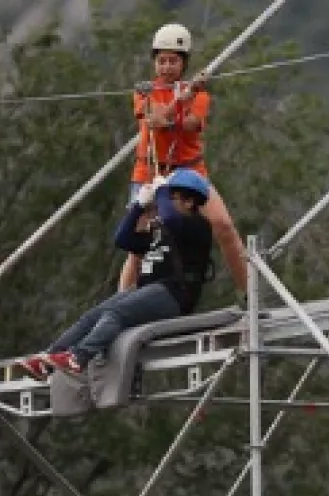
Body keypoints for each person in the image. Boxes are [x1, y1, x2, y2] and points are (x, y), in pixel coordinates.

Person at [19, 169, 213, 379]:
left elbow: (171, 219)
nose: (162, 203)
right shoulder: (162, 231)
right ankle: (49, 358)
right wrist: (138, 206)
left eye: (170, 197)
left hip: (174, 294)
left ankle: (78, 357)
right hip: (150, 291)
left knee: (117, 313)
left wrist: (161, 191)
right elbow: (123, 239)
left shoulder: (196, 225)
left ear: (189, 202)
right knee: (92, 316)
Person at [121, 23, 246, 294]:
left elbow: (190, 124)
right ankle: (121, 300)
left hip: (189, 171)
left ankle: (247, 293)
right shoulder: (144, 92)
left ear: (183, 63)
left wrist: (186, 97)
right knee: (138, 245)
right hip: (150, 170)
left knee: (224, 226)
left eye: (173, 61)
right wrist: (183, 97)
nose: (166, 67)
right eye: (162, 61)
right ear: (155, 63)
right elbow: (154, 120)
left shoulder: (200, 95)